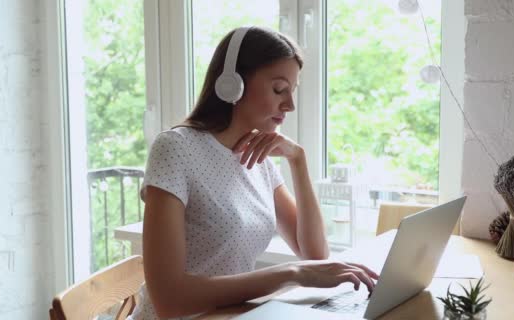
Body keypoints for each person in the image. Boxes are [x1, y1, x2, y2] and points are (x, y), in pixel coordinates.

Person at [129, 26, 378, 320]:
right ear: (232, 84)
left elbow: (315, 254)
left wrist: (298, 161)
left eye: (292, 92)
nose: (290, 105)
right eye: (278, 89)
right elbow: (170, 301)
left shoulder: (258, 159)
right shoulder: (175, 149)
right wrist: (291, 273)